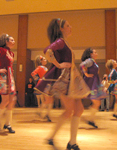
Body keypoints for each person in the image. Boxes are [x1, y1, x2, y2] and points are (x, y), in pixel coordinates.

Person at [34, 18, 91, 150]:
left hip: (72, 77)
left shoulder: (65, 42)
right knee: (70, 110)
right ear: (61, 29)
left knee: (79, 109)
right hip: (64, 78)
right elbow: (47, 51)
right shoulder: (60, 42)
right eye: (68, 25)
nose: (71, 27)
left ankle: (71, 142)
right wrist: (58, 64)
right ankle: (56, 139)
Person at [80, 48, 107, 128]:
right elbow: (82, 65)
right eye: (95, 52)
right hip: (91, 83)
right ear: (91, 54)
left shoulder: (93, 61)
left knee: (97, 102)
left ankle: (90, 119)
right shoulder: (90, 60)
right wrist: (86, 74)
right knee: (96, 102)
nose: (96, 53)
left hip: (95, 82)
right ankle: (89, 119)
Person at [31, 55, 53, 122]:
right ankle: (41, 112)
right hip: (45, 84)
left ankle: (46, 114)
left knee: (50, 100)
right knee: (48, 100)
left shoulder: (45, 67)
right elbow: (33, 73)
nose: (46, 60)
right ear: (41, 61)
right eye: (44, 59)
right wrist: (39, 80)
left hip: (48, 84)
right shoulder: (40, 67)